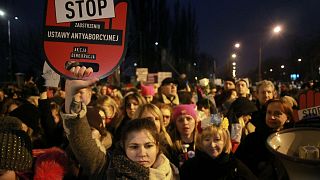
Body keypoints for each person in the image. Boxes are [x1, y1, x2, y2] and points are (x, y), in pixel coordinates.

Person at [235, 98, 293, 179]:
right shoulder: (252, 139)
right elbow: (239, 164)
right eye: (269, 112)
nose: (271, 117)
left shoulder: (293, 141)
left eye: (277, 114)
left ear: (288, 118)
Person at [180, 124, 257, 180]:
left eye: (217, 139)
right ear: (200, 142)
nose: (212, 145)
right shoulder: (189, 167)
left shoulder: (235, 166)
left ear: (224, 141)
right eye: (207, 140)